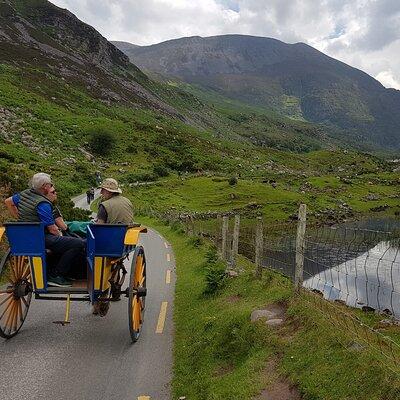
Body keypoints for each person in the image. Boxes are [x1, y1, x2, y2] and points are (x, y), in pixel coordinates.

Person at [4, 173, 86, 287]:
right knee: (78, 243)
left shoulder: (23, 194)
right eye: (50, 184)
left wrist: (20, 219)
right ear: (45, 186)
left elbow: (8, 202)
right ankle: (57, 275)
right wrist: (64, 238)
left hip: (24, 237)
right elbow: (52, 230)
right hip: (41, 238)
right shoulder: (43, 204)